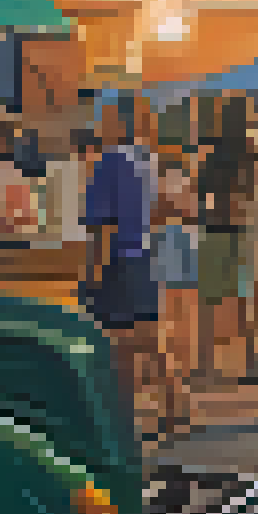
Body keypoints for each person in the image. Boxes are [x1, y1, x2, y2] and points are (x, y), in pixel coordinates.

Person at [81, 97, 162, 435]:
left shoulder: (106, 164)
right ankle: (172, 403)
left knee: (116, 343)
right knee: (144, 336)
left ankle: (122, 415)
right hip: (143, 256)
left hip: (117, 260)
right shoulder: (143, 161)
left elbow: (103, 227)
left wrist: (93, 275)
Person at [194, 99, 258, 386]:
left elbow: (200, 194)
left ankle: (206, 366)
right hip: (245, 231)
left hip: (216, 230)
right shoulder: (253, 155)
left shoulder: (213, 156)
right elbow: (257, 195)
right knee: (244, 301)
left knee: (209, 302)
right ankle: (252, 363)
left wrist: (205, 216)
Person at [151, 150, 201, 438]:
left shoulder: (158, 180)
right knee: (183, 325)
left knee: (168, 325)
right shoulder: (185, 181)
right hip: (185, 245)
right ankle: (181, 393)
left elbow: (162, 213)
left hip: (168, 246)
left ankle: (176, 397)